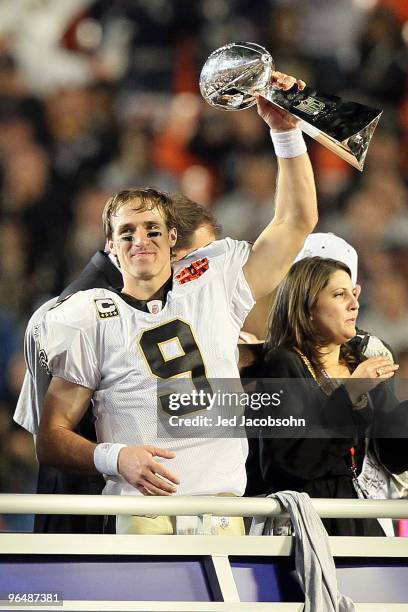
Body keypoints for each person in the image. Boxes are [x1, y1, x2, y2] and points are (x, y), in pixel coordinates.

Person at [35, 71, 318, 535]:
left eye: (151, 230)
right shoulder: (87, 315)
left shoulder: (214, 280)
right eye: (126, 232)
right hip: (144, 512)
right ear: (109, 247)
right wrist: (115, 457)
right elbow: (51, 438)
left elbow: (296, 220)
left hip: (224, 507)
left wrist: (286, 134)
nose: (140, 240)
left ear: (172, 239)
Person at [14, 199, 221, 533]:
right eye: (200, 258)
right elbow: (54, 433)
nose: (206, 271)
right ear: (175, 249)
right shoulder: (84, 313)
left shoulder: (80, 304)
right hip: (100, 505)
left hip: (106, 496)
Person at [257, 256, 407, 536]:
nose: (354, 304)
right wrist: (350, 393)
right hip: (308, 518)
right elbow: (290, 462)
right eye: (339, 295)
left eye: (354, 293)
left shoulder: (359, 363)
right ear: (307, 307)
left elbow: (394, 456)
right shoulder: (284, 362)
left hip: (358, 514)